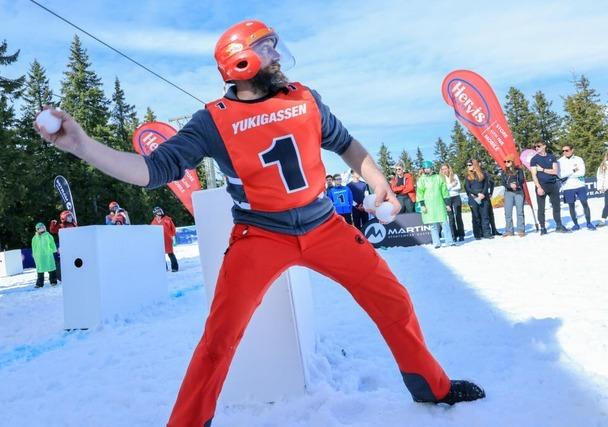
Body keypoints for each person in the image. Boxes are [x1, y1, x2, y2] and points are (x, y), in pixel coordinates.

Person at [35, 19, 484, 427]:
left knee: (393, 299)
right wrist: (83, 146)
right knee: (219, 338)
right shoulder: (213, 121)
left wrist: (377, 178)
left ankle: (432, 387)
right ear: (243, 60)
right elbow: (151, 171)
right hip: (260, 234)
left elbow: (347, 145)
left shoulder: (304, 98)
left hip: (324, 225)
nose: (277, 55)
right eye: (268, 48)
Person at [530, 140, 568, 234]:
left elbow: (555, 171)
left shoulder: (552, 157)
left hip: (553, 185)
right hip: (541, 186)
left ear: (544, 146)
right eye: (535, 146)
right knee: (541, 208)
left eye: (538, 146)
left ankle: (559, 225)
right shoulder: (534, 159)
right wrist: (538, 187)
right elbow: (534, 175)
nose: (536, 148)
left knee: (556, 207)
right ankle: (543, 228)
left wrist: (542, 169)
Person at [417, 161, 454, 248]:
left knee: (444, 223)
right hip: (428, 205)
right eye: (425, 168)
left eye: (428, 168)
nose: (426, 170)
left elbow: (444, 191)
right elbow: (420, 193)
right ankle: (437, 243)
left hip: (439, 204)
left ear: (431, 168)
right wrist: (422, 205)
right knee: (433, 225)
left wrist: (447, 203)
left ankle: (449, 241)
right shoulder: (422, 180)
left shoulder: (438, 178)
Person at [559, 144, 595, 230]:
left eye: (566, 150)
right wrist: (573, 170)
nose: (565, 152)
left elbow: (581, 173)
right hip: (567, 187)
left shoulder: (579, 159)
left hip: (580, 185)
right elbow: (560, 175)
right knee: (571, 206)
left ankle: (589, 223)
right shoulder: (559, 161)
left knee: (584, 203)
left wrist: (567, 174)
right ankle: (576, 224)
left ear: (572, 150)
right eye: (563, 151)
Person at [465, 159, 492, 240]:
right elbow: (468, 188)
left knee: (485, 216)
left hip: (483, 197)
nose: (468, 167)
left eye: (470, 165)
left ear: (475, 165)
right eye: (468, 165)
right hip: (473, 198)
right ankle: (478, 234)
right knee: (475, 217)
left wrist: (483, 194)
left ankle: (487, 233)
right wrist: (477, 194)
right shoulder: (468, 176)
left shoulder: (483, 174)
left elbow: (486, 185)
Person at [500, 154, 526, 237]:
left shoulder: (519, 170)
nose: (506, 163)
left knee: (520, 211)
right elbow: (503, 182)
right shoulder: (504, 171)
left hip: (518, 191)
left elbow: (522, 179)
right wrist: (510, 186)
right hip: (508, 192)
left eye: (508, 161)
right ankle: (509, 231)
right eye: (505, 162)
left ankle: (521, 230)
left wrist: (516, 185)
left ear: (512, 162)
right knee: (508, 212)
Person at [440, 164, 464, 242]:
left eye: (446, 169)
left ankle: (461, 235)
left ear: (449, 169)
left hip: (456, 197)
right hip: (447, 199)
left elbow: (458, 187)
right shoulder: (441, 179)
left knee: (458, 216)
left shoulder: (455, 176)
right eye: (443, 169)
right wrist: (452, 185)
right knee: (451, 218)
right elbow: (443, 189)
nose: (444, 170)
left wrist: (448, 187)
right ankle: (453, 236)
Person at [151, 206, 179, 272]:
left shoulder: (167, 219)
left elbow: (173, 228)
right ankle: (164, 268)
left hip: (168, 239)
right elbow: (152, 230)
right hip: (159, 240)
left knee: (170, 253)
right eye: (158, 212)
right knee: (161, 255)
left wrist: (173, 235)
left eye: (160, 211)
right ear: (155, 213)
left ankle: (174, 268)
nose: (159, 213)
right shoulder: (154, 221)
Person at [31, 222, 58, 288]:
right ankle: (39, 284)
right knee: (40, 270)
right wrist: (34, 254)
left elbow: (52, 243)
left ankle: (53, 282)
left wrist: (53, 250)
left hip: (48, 254)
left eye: (43, 227)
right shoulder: (35, 238)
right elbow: (33, 246)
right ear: (37, 229)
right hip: (39, 256)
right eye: (40, 228)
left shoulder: (48, 235)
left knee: (51, 268)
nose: (42, 228)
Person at [485, 170, 502, 236]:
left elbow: (491, 182)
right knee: (483, 216)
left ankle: (494, 230)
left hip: (486, 196)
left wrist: (491, 193)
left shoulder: (485, 173)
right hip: (477, 197)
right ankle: (485, 231)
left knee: (490, 214)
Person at [597, 150, 608, 227]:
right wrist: (600, 187)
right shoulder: (604, 165)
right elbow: (600, 177)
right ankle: (603, 220)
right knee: (607, 204)